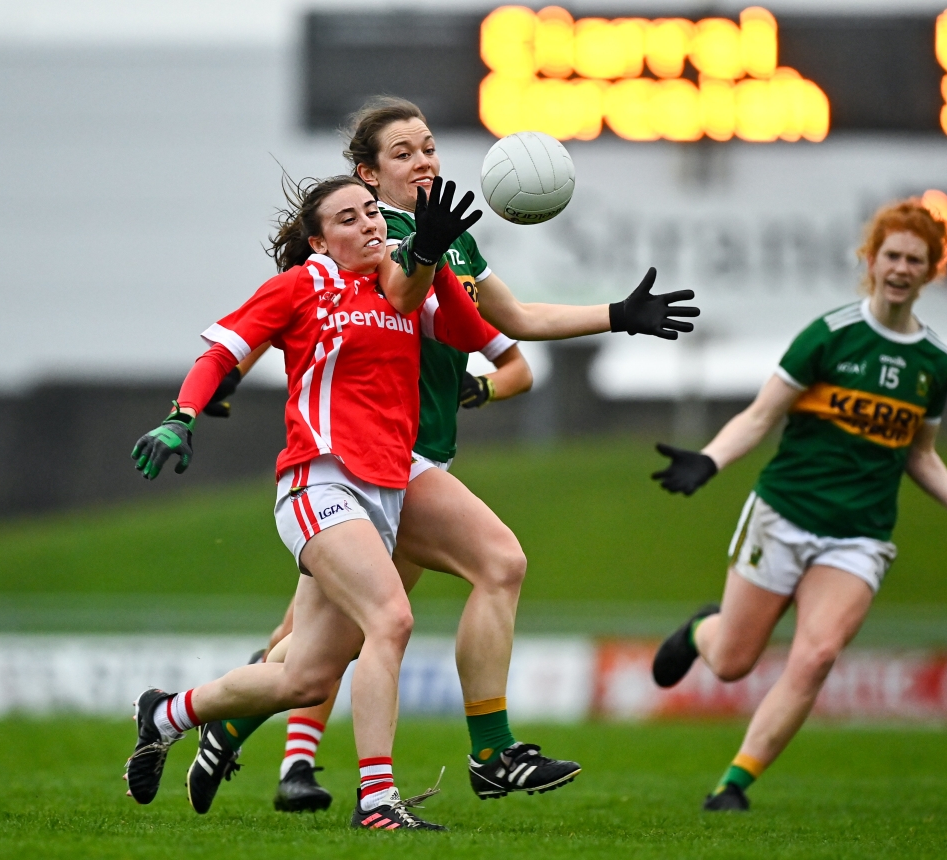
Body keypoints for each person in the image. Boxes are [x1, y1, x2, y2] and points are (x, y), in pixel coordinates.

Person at [184, 95, 701, 816]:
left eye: (429, 146)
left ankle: (212, 726)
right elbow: (394, 290)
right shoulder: (376, 242)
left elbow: (512, 325)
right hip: (371, 463)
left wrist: (616, 316)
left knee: (318, 650)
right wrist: (210, 389)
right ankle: (476, 756)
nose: (425, 159)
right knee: (481, 571)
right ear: (365, 175)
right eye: (404, 152)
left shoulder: (444, 239)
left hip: (411, 465)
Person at [125, 173, 493, 831]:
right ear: (319, 239)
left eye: (372, 215)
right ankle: (377, 801)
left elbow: (468, 336)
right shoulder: (302, 285)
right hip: (318, 482)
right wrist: (180, 417)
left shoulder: (399, 286)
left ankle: (167, 713)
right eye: (347, 219)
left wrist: (434, 253)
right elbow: (222, 356)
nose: (369, 226)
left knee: (306, 679)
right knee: (393, 619)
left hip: (380, 498)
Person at [648, 198, 947, 813]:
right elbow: (759, 416)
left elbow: (920, 453)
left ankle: (733, 785)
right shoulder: (830, 337)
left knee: (818, 653)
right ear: (871, 260)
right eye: (892, 255)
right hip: (784, 514)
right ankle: (702, 630)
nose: (902, 268)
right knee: (732, 664)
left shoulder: (933, 364)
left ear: (931, 271)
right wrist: (710, 460)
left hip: (860, 535)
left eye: (916, 259)